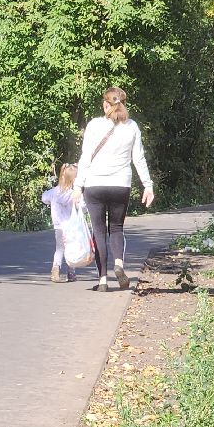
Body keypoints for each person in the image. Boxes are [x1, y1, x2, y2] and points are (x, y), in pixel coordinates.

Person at [76, 86, 154, 292]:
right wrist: (148, 185)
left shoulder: (94, 125)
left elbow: (85, 157)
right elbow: (138, 158)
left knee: (99, 232)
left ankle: (102, 280)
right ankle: (118, 262)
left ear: (105, 104)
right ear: (122, 103)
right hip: (121, 185)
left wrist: (77, 186)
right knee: (116, 228)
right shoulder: (132, 126)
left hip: (94, 185)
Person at [41, 163, 83, 282]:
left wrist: (52, 202)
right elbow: (82, 206)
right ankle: (71, 273)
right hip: (71, 226)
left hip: (58, 226)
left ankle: (55, 269)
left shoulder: (54, 192)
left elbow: (44, 198)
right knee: (71, 248)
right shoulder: (73, 194)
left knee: (59, 248)